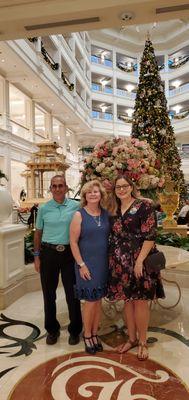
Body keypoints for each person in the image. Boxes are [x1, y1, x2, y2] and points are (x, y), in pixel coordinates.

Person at [107, 174, 165, 360]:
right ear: (114, 190)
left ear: (131, 187)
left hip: (140, 260)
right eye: (118, 187)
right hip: (120, 262)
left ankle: (142, 342)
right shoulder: (113, 209)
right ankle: (131, 339)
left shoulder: (144, 206)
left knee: (140, 301)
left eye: (125, 186)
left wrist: (139, 261)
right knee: (127, 300)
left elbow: (150, 236)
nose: (122, 189)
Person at [34, 175, 82, 345]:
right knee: (49, 294)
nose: (57, 189)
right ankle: (52, 330)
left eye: (60, 185)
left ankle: (75, 330)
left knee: (72, 294)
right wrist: (37, 256)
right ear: (50, 189)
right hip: (49, 254)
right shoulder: (44, 208)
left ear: (66, 187)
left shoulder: (76, 206)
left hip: (70, 254)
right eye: (54, 186)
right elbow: (38, 233)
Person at [70, 180, 110, 354]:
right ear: (85, 196)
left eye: (96, 191)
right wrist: (81, 264)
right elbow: (72, 242)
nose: (93, 194)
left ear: (101, 194)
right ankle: (87, 335)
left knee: (98, 300)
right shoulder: (79, 215)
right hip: (86, 264)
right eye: (89, 192)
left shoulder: (106, 214)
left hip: (103, 264)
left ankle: (95, 333)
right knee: (90, 302)